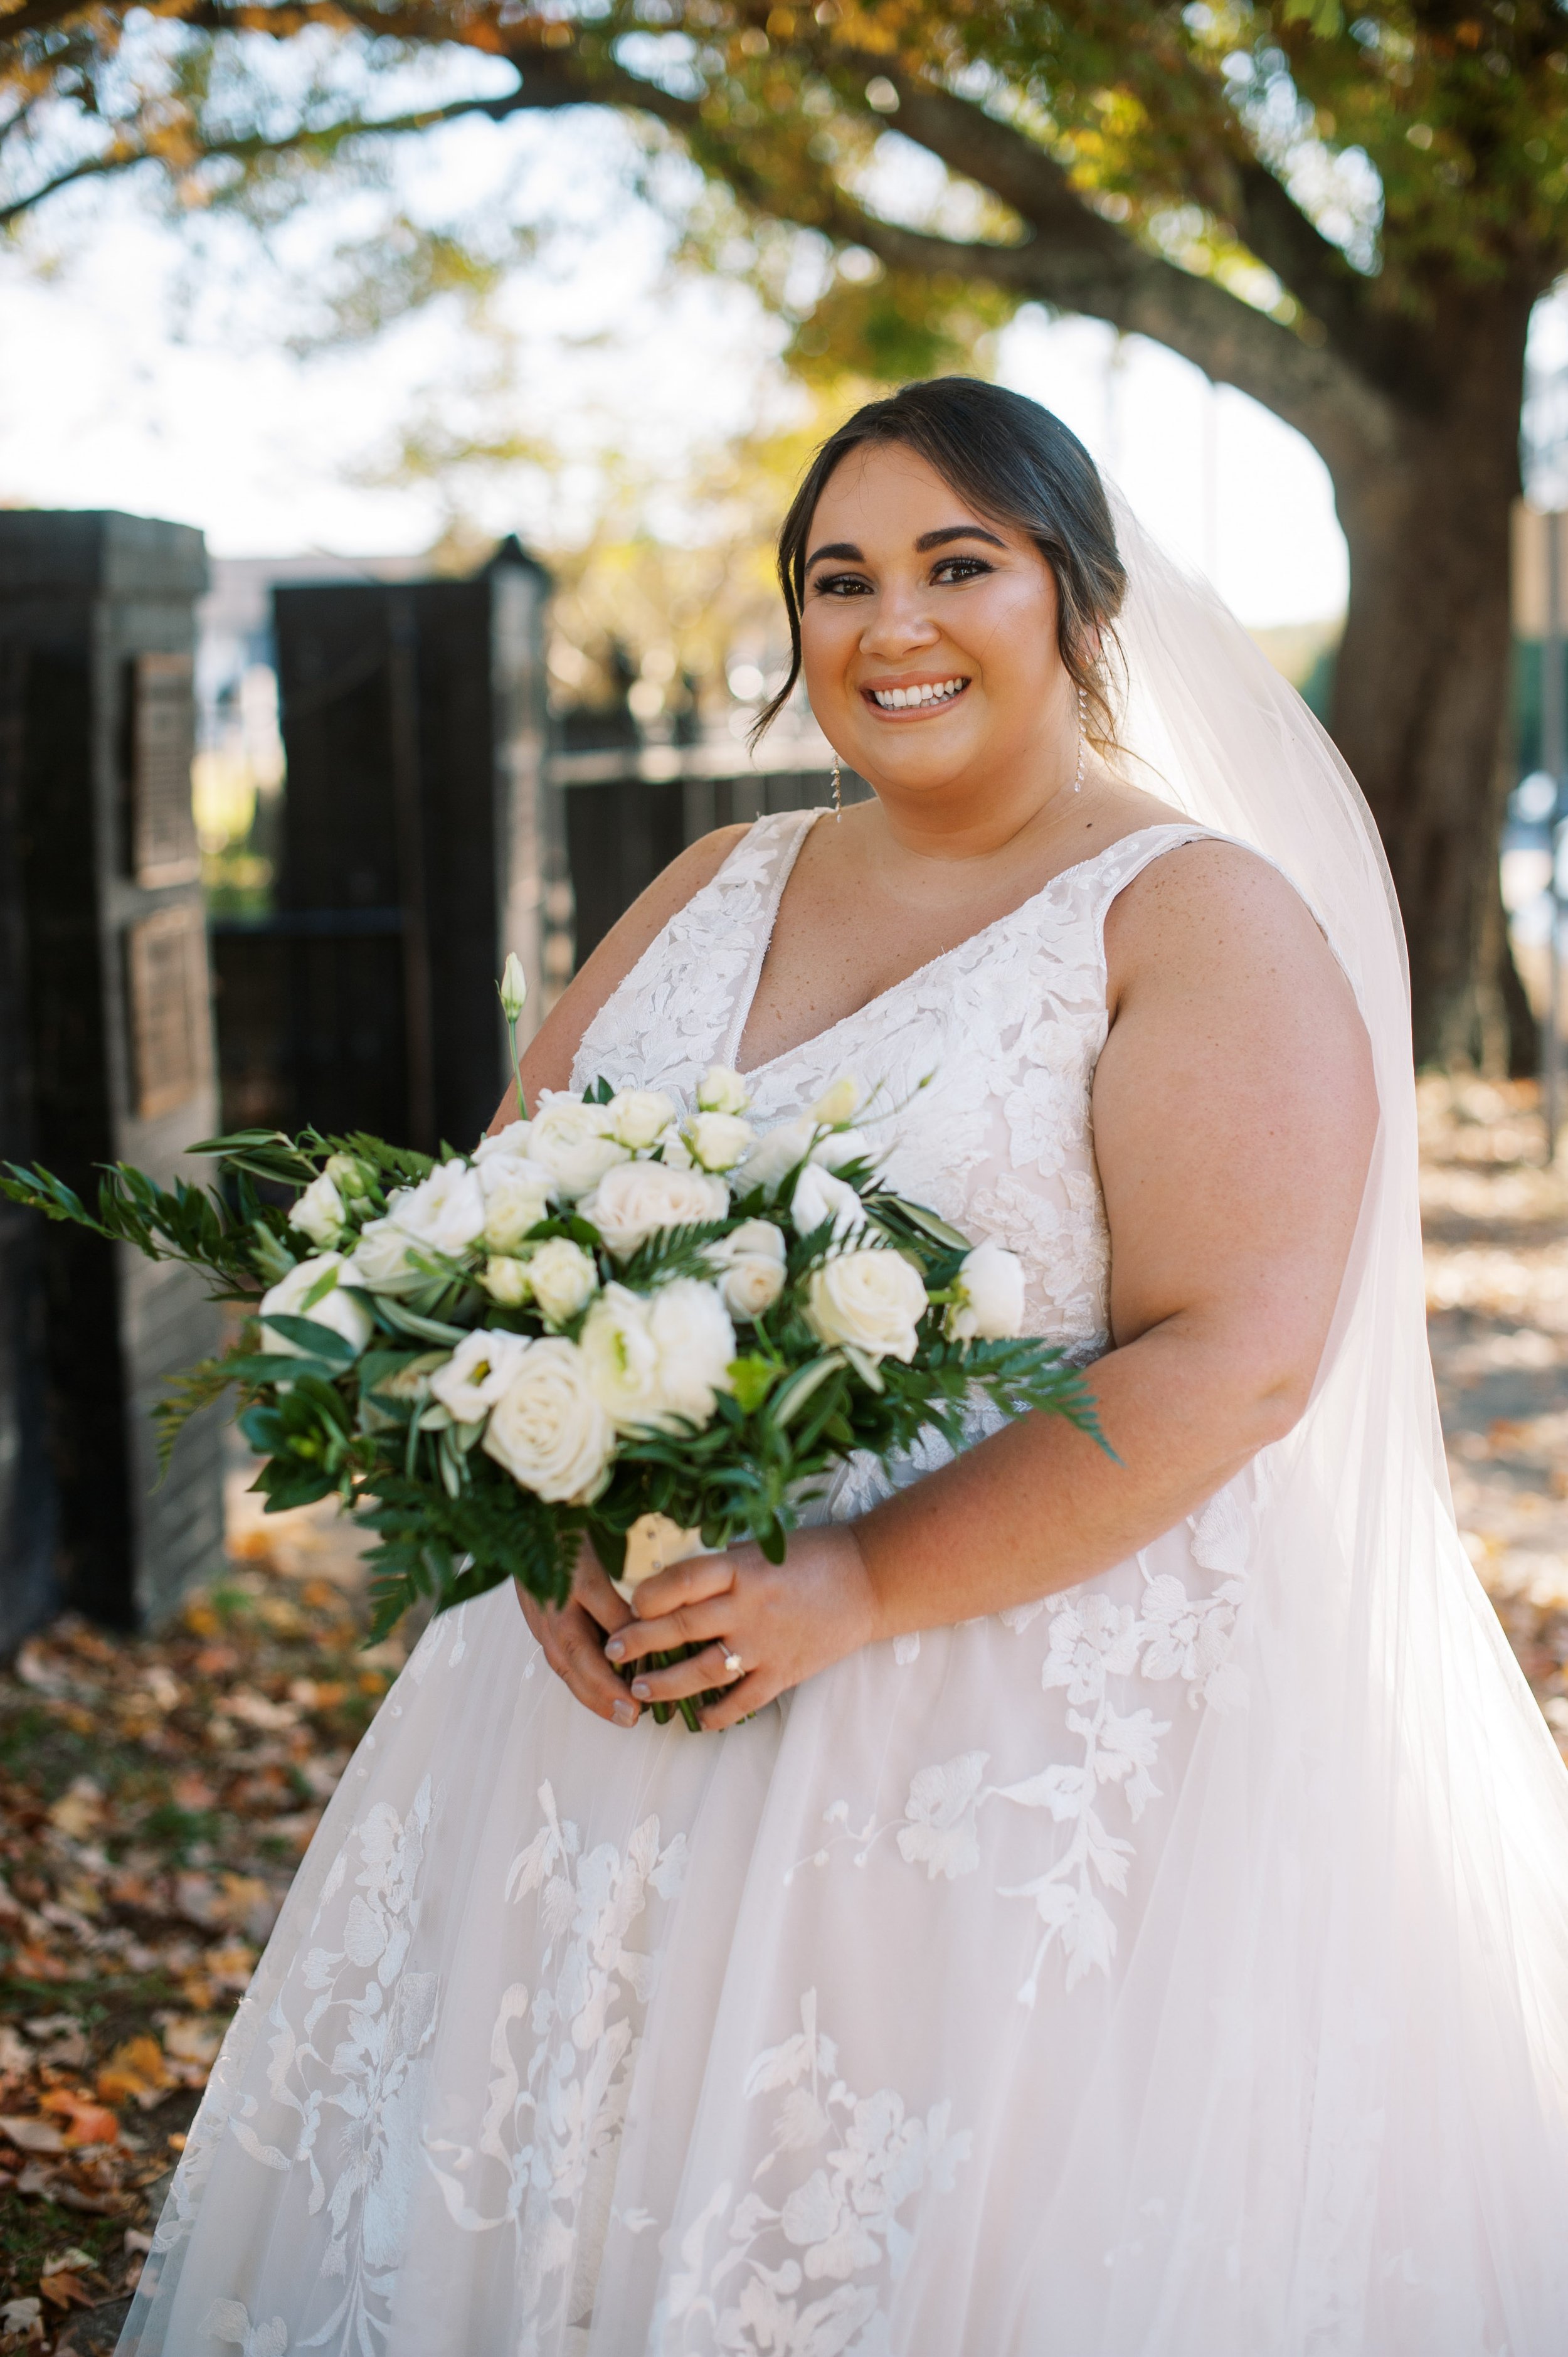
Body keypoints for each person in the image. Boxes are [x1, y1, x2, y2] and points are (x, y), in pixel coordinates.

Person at [119, 380, 1568, 2356]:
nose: (891, 627)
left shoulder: (1196, 917)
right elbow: (491, 1226)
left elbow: (1234, 1357)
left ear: (1077, 596)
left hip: (991, 1745)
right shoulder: (707, 883)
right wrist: (534, 1538)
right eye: (838, 578)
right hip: (610, 1693)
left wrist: (860, 1585)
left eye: (956, 565)